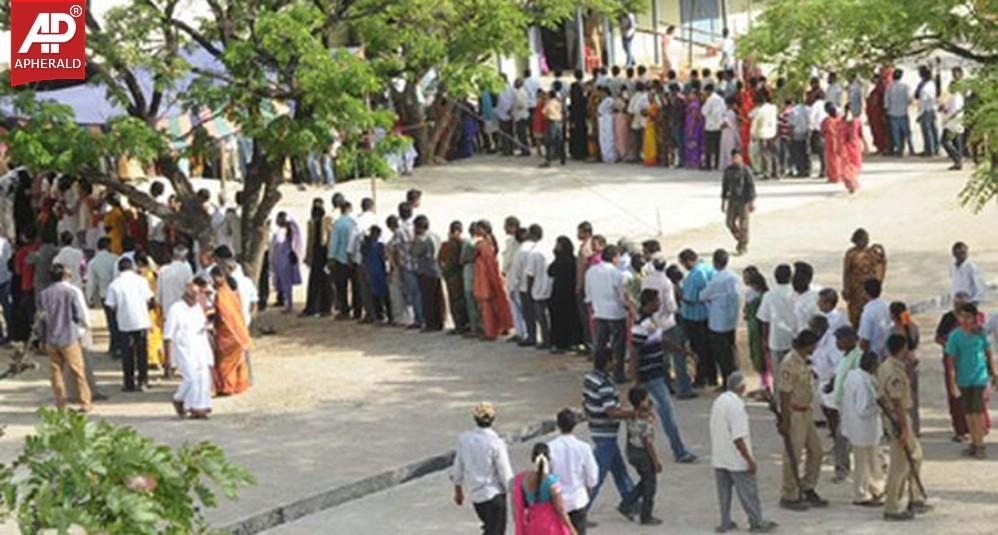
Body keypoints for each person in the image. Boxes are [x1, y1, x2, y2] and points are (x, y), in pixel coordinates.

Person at [629, 289, 698, 464]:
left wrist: (683, 352)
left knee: (649, 414)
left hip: (655, 374)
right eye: (657, 301)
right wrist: (636, 381)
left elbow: (660, 341)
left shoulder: (649, 322)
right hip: (650, 376)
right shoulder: (641, 325)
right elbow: (635, 354)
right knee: (666, 412)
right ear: (649, 303)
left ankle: (642, 449)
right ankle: (679, 451)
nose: (659, 304)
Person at [711, 371, 778, 533]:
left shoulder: (719, 400)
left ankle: (725, 522)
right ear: (741, 387)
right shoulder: (737, 406)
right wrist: (749, 460)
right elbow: (738, 437)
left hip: (720, 455)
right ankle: (756, 521)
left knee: (724, 493)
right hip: (736, 459)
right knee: (748, 492)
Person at [583, 348, 638, 517]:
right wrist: (632, 414)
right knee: (596, 476)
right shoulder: (605, 385)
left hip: (598, 429)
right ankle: (581, 511)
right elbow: (611, 411)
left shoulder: (590, 378)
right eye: (612, 359)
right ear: (606, 362)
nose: (615, 362)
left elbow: (585, 402)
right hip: (605, 432)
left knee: (619, 471)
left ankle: (631, 501)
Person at [880, 334, 929, 520]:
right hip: (897, 418)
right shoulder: (893, 371)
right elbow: (897, 400)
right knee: (900, 464)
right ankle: (893, 506)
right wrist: (904, 428)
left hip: (899, 417)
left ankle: (914, 496)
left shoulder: (889, 365)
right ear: (903, 348)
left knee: (915, 456)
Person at [777, 329, 827, 511]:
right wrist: (785, 420)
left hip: (806, 411)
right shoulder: (790, 363)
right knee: (793, 454)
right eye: (814, 345)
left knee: (817, 451)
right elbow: (785, 393)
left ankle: (807, 486)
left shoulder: (803, 361)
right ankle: (789, 493)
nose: (815, 348)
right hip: (795, 413)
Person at [451, 402, 515, 535]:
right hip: (494, 495)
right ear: (493, 419)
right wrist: (515, 493)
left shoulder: (464, 440)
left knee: (489, 528)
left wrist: (458, 491)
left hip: (477, 498)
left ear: (475, 419)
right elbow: (505, 472)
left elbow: (458, 467)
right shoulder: (496, 443)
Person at [945, 303, 997, 459]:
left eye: (968, 316)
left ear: (975, 317)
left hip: (979, 379)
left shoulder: (980, 334)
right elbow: (951, 362)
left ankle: (980, 445)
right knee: (968, 413)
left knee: (978, 412)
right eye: (963, 316)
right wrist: (953, 382)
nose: (965, 320)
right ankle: (974, 443)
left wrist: (994, 373)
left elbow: (988, 354)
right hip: (963, 379)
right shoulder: (955, 336)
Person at [39, 263, 92, 412]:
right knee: (78, 371)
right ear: (63, 275)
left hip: (51, 338)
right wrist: (84, 327)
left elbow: (41, 319)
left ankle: (60, 403)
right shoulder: (70, 293)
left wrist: (42, 340)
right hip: (69, 337)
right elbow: (79, 315)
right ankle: (85, 401)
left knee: (56, 373)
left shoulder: (44, 294)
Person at [841, 351, 885, 506]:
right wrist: (881, 408)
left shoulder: (853, 375)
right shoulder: (863, 382)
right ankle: (861, 494)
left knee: (871, 461)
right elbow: (863, 408)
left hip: (858, 428)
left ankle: (875, 489)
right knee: (863, 463)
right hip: (863, 428)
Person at [164, 281, 213, 419]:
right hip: (184, 349)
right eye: (194, 295)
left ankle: (199, 407)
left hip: (201, 347)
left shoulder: (198, 308)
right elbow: (167, 336)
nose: (197, 298)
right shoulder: (176, 309)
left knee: (203, 377)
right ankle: (179, 399)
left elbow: (203, 328)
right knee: (191, 378)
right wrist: (167, 360)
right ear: (187, 295)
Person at [104, 257, 153, 392]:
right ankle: (143, 381)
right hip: (142, 321)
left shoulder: (114, 284)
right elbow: (149, 299)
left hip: (125, 322)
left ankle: (129, 383)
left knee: (127, 354)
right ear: (131, 267)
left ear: (119, 269)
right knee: (142, 352)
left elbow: (111, 305)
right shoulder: (141, 281)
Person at [548, 409, 597, 534]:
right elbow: (592, 475)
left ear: (558, 425)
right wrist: (589, 486)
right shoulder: (584, 447)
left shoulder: (550, 447)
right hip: (578, 499)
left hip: (556, 500)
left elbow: (545, 474)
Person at [618, 387, 663, 525]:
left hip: (632, 451)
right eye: (646, 398)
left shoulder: (632, 415)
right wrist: (656, 461)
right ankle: (646, 515)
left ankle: (627, 503)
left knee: (645, 480)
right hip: (643, 454)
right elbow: (647, 442)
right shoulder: (645, 420)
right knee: (650, 485)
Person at [512, 443, 577, 535]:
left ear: (532, 458)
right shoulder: (551, 481)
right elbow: (560, 509)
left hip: (532, 525)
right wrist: (572, 529)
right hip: (551, 526)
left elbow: (517, 508)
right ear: (549, 459)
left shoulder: (521, 479)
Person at [586, 245, 629, 382]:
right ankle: (618, 373)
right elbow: (622, 296)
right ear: (614, 257)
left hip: (599, 311)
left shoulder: (591, 271)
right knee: (618, 346)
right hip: (616, 313)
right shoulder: (617, 273)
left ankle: (598, 370)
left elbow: (588, 293)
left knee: (600, 344)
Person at [700, 249, 741, 389]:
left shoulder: (716, 280)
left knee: (722, 356)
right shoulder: (733, 277)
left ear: (715, 263)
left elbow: (703, 296)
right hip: (731, 321)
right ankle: (735, 380)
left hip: (718, 324)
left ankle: (726, 383)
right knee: (731, 351)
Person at [935, 292, 973, 442]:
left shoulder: (972, 319)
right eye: (957, 305)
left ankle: (971, 427)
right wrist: (951, 346)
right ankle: (959, 430)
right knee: (955, 396)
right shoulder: (948, 319)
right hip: (952, 361)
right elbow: (938, 338)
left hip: (969, 362)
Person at [209, 266, 252, 395]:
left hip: (229, 333)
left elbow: (223, 315)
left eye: (214, 278)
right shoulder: (231, 292)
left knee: (225, 362)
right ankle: (238, 385)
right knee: (236, 361)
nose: (213, 281)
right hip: (238, 331)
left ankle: (227, 387)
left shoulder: (222, 294)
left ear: (220, 277)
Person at [678, 249, 714, 388]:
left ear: (688, 261)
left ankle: (701, 378)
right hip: (705, 314)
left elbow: (691, 299)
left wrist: (680, 295)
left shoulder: (696, 275)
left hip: (695, 317)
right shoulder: (706, 268)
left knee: (699, 349)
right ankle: (710, 376)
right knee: (707, 348)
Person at [756, 264, 796, 389]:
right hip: (794, 338)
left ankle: (779, 402)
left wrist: (764, 338)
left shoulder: (769, 295)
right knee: (793, 372)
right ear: (791, 277)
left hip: (776, 338)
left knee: (778, 374)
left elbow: (764, 319)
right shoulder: (795, 293)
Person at [474, 221, 514, 340]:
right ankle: (502, 327)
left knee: (488, 306)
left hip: (487, 277)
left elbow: (488, 261)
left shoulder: (484, 245)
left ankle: (491, 331)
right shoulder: (489, 242)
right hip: (491, 276)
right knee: (497, 303)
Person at [842, 229, 887, 328]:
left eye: (866, 239)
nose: (865, 241)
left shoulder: (873, 252)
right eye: (862, 240)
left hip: (869, 289)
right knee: (855, 316)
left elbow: (881, 266)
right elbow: (846, 272)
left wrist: (882, 253)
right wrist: (846, 288)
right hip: (855, 291)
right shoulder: (851, 254)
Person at [890, 302, 922, 436]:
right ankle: (915, 427)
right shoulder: (913, 327)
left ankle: (903, 427)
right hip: (912, 365)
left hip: (899, 366)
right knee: (913, 398)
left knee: (898, 399)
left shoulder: (893, 331)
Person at [548, 237, 582, 353]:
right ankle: (572, 342)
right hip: (569, 295)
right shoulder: (573, 260)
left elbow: (550, 271)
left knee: (559, 320)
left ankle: (559, 343)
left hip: (559, 294)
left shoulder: (560, 261)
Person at [721, 151, 756, 255]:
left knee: (744, 225)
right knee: (729, 223)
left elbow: (751, 187)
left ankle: (743, 246)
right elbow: (725, 187)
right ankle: (740, 238)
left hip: (743, 201)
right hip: (732, 200)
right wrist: (723, 202)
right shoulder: (728, 171)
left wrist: (751, 202)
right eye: (733, 158)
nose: (735, 159)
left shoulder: (746, 170)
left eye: (737, 157)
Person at [302, 199, 333, 317]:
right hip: (316, 254)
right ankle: (313, 307)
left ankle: (325, 308)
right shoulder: (311, 223)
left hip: (324, 254)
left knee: (325, 281)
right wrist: (308, 256)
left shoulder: (328, 222)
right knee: (315, 282)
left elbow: (328, 239)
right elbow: (310, 241)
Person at [743, 267, 771, 390]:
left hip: (757, 328)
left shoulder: (753, 295)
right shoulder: (765, 295)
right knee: (760, 354)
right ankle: (765, 382)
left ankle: (765, 383)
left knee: (759, 355)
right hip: (756, 327)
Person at [526, 225, 553, 349]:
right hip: (550, 286)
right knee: (550, 316)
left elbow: (530, 274)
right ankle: (551, 338)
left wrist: (528, 289)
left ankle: (546, 340)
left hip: (538, 288)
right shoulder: (548, 248)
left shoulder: (534, 253)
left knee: (541, 317)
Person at [270, 211, 303, 314]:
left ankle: (288, 305)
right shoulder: (292, 230)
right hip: (288, 258)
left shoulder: (281, 232)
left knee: (285, 283)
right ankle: (288, 303)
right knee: (287, 284)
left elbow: (276, 247)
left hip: (282, 259)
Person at [328, 202, 357, 319]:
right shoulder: (353, 223)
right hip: (353, 258)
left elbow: (334, 242)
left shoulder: (338, 224)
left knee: (341, 287)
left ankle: (344, 310)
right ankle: (357, 310)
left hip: (341, 258)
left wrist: (331, 257)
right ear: (350, 209)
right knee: (355, 286)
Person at [440, 221, 470, 334]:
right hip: (457, 276)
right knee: (458, 301)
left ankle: (460, 325)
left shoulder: (448, 245)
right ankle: (461, 324)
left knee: (456, 301)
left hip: (453, 277)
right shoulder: (462, 243)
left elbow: (442, 261)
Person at [858, 278, 892, 358]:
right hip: (888, 351)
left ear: (865, 292)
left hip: (874, 353)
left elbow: (865, 339)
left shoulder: (868, 312)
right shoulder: (887, 305)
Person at [885, 69, 913, 156]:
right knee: (907, 132)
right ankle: (911, 149)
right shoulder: (905, 87)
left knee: (895, 133)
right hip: (903, 112)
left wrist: (887, 109)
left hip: (892, 113)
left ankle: (899, 150)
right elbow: (909, 100)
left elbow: (886, 101)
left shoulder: (889, 87)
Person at [940, 77, 966, 170]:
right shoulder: (955, 96)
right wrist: (944, 109)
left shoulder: (956, 97)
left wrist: (947, 119)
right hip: (956, 123)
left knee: (944, 141)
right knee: (956, 143)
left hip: (953, 124)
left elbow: (955, 111)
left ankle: (958, 158)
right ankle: (958, 162)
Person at [915, 65, 939, 157]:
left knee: (927, 131)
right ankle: (935, 148)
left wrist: (920, 114)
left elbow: (922, 102)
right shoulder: (931, 83)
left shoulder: (924, 87)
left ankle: (929, 150)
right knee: (933, 130)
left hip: (926, 110)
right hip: (932, 109)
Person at [840, 104, 864, 193]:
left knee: (847, 165)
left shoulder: (842, 121)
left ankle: (850, 182)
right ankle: (852, 182)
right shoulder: (857, 121)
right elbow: (860, 134)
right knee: (855, 165)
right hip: (855, 146)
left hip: (845, 146)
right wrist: (864, 144)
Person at [702, 84, 727, 170]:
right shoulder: (721, 99)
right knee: (717, 146)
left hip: (710, 126)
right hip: (719, 126)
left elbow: (704, 112)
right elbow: (724, 111)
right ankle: (717, 164)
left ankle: (708, 164)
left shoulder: (709, 100)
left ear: (708, 91)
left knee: (708, 146)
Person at [866, 71, 890, 155]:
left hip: (879, 114)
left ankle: (884, 148)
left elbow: (883, 102)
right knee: (875, 131)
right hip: (873, 115)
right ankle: (879, 147)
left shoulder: (882, 89)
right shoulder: (875, 90)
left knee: (881, 132)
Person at [821, 103, 844, 184]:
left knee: (831, 159)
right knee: (839, 157)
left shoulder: (827, 120)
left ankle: (833, 176)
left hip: (830, 140)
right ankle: (840, 174)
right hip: (839, 139)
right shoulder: (840, 119)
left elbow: (823, 131)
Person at [596, 87, 617, 163]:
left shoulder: (609, 100)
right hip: (602, 120)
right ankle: (605, 156)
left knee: (608, 137)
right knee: (602, 138)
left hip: (607, 119)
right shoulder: (602, 100)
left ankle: (610, 156)